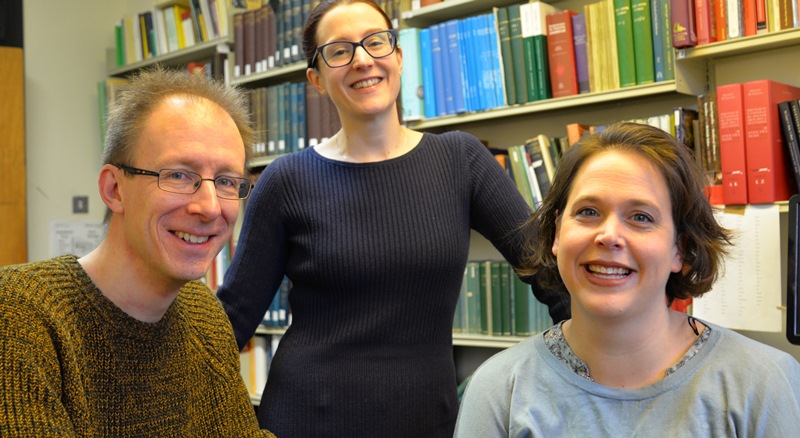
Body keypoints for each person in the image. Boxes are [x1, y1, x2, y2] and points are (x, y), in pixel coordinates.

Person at [215, 0, 571, 436]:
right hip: (305, 420)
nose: (362, 59)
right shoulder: (285, 180)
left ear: (399, 56)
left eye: (375, 42)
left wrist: (593, 371)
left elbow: (551, 275)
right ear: (317, 80)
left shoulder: (461, 161)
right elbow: (230, 319)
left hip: (424, 421)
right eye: (340, 50)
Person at [454, 122, 800, 437]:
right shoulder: (499, 389)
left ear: (680, 248)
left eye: (640, 217)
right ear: (558, 233)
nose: (609, 236)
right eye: (588, 212)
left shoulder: (764, 383)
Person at [0, 67, 275, 437]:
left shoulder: (203, 313)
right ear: (114, 189)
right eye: (179, 175)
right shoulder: (21, 312)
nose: (210, 207)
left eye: (226, 181)